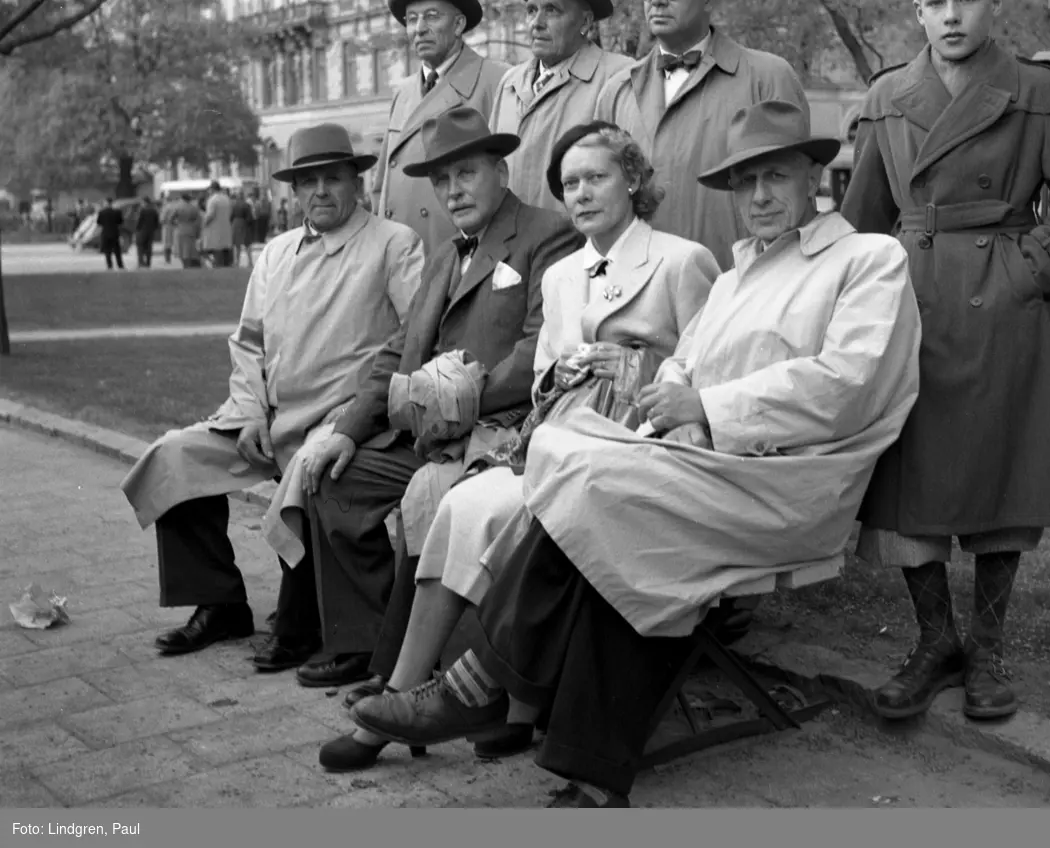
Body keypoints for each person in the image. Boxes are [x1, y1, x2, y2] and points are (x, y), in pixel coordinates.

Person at [345, 100, 922, 806]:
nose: (760, 197)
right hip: (705, 467)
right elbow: (684, 364)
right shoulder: (740, 277)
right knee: (575, 465)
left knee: (591, 486)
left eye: (775, 177)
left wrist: (707, 407)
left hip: (792, 485)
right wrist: (671, 397)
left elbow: (849, 385)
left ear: (814, 178)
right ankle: (582, 758)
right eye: (744, 184)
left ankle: (483, 684)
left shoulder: (867, 259)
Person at [318, 121, 719, 772]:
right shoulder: (563, 276)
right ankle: (399, 697)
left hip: (637, 448)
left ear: (635, 180)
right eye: (569, 184)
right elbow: (545, 377)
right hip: (560, 434)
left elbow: (703, 367)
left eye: (597, 178)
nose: (582, 193)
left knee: (515, 512)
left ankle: (497, 702)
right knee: (466, 506)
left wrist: (630, 369)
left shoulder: (681, 260)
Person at [838, 0, 1050, 723]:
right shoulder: (888, 97)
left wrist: (1021, 274)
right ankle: (935, 642)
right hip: (911, 309)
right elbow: (862, 221)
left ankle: (986, 650)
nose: (951, 15)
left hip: (1006, 313)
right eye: (935, 2)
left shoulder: (1042, 93)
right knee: (909, 484)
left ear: (995, 2)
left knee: (1001, 481)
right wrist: (863, 295)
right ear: (916, 12)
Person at [120, 124, 425, 670]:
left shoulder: (393, 244)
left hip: (338, 420)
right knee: (173, 457)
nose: (321, 191)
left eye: (334, 178)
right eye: (308, 181)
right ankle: (220, 604)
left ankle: (300, 624)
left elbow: (415, 341)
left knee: (309, 478)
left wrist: (352, 421)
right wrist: (249, 412)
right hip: (265, 418)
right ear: (293, 190)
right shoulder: (277, 252)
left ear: (358, 182)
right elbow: (249, 343)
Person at [295, 106, 580, 690]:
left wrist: (450, 406)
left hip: (495, 433)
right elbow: (397, 352)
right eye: (442, 180)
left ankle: (410, 673)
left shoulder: (546, 235)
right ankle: (367, 643)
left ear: (501, 172)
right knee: (335, 479)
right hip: (425, 433)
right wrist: (347, 429)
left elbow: (537, 349)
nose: (452, 191)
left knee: (436, 498)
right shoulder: (446, 253)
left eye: (466, 174)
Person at [594, 0, 809, 269]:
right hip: (636, 295)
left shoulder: (767, 77)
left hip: (737, 289)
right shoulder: (616, 92)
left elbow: (795, 196)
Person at [372, 0, 508, 255]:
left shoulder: (497, 82)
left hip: (461, 259)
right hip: (399, 259)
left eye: (432, 16)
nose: (419, 28)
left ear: (458, 24)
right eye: (411, 19)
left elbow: (510, 182)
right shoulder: (403, 92)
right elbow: (381, 187)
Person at [489, 0, 632, 210]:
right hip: (509, 245)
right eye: (531, 10)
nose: (537, 23)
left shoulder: (618, 78)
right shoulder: (509, 83)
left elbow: (630, 178)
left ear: (586, 22)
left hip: (579, 244)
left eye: (552, 10)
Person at [202, 181, 234, 267]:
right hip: (226, 227)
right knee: (225, 247)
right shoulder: (226, 198)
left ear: (212, 189)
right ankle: (227, 264)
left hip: (214, 228)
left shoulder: (212, 200)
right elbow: (230, 213)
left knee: (216, 248)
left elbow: (210, 215)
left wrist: (204, 223)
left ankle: (217, 264)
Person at [95, 198, 125, 270]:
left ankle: (109, 266)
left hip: (105, 233)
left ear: (106, 203)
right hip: (115, 233)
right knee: (117, 251)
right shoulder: (117, 212)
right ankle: (120, 265)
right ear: (111, 203)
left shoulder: (101, 212)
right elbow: (120, 222)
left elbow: (98, 222)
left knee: (107, 251)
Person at [174, 195, 202, 267]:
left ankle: (185, 265)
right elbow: (198, 220)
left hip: (181, 229)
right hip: (191, 230)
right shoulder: (194, 208)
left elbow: (171, 219)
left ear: (182, 199)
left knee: (182, 250)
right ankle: (189, 265)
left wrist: (177, 223)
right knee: (189, 250)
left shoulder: (178, 207)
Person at [230, 191, 255, 267]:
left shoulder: (234, 205)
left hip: (235, 224)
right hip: (244, 224)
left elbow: (231, 217)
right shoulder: (246, 205)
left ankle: (237, 262)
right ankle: (250, 262)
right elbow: (250, 217)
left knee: (237, 245)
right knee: (247, 243)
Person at [134, 199, 160, 268]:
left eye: (142, 203)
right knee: (149, 247)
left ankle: (141, 262)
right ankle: (148, 262)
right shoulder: (154, 210)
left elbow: (139, 221)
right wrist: (154, 229)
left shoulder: (142, 210)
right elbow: (157, 222)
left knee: (140, 247)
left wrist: (137, 229)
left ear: (145, 202)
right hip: (151, 231)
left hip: (142, 231)